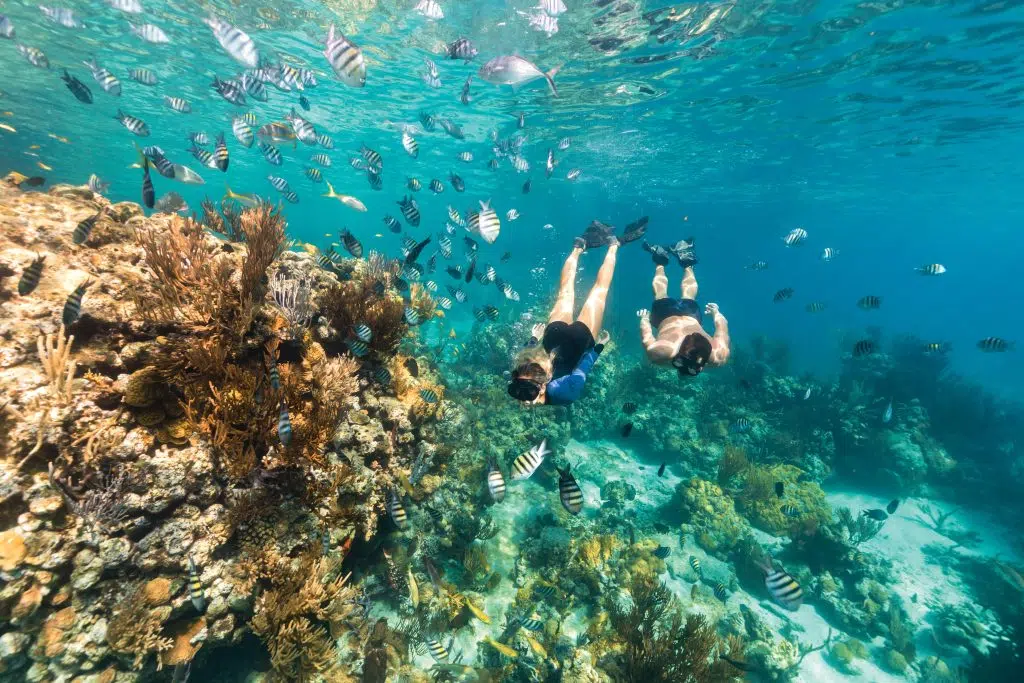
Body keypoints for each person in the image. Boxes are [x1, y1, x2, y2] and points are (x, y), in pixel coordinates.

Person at [508, 220, 643, 405]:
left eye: (522, 394)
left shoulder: (563, 395)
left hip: (580, 340)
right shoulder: (520, 371)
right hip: (553, 336)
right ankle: (578, 247)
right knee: (565, 291)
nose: (524, 401)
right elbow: (524, 355)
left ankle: (613, 245)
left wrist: (599, 347)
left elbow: (583, 368)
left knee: (599, 292)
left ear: (545, 382)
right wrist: (533, 338)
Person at [637, 237, 730, 375]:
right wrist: (644, 319)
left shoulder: (719, 355)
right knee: (661, 294)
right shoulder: (718, 357)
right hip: (666, 317)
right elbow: (647, 339)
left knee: (687, 295)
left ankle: (679, 262)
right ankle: (661, 261)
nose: (685, 368)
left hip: (690, 314)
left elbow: (722, 327)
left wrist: (716, 313)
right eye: (681, 362)